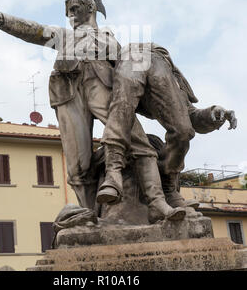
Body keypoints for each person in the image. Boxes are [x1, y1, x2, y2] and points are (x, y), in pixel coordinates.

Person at [0, 0, 185, 223]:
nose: (70, 14)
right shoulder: (63, 36)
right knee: (78, 166)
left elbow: (133, 71)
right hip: (68, 93)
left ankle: (157, 203)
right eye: (68, 11)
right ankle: (91, 216)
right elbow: (33, 30)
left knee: (140, 144)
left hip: (105, 87)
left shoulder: (109, 38)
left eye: (74, 8)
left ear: (90, 8)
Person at [97, 42, 237, 208]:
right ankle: (113, 172)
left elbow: (189, 116)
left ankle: (167, 185)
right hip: (132, 56)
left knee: (183, 132)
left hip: (155, 58)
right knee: (123, 105)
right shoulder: (124, 58)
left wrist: (213, 114)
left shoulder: (171, 78)